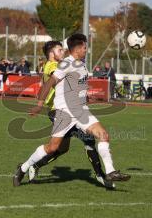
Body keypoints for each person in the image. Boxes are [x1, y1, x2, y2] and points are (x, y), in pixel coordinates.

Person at [13, 34, 130, 187]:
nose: (86, 50)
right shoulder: (65, 64)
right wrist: (40, 104)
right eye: (85, 47)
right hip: (64, 113)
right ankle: (24, 167)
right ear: (77, 48)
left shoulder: (81, 63)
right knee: (53, 147)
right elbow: (49, 84)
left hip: (81, 111)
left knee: (103, 135)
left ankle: (110, 172)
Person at [27, 40, 113, 189]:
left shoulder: (66, 64)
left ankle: (34, 165)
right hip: (58, 110)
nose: (63, 52)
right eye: (60, 50)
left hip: (70, 109)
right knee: (88, 140)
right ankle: (101, 176)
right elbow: (59, 78)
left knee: (61, 148)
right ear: (51, 54)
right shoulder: (52, 65)